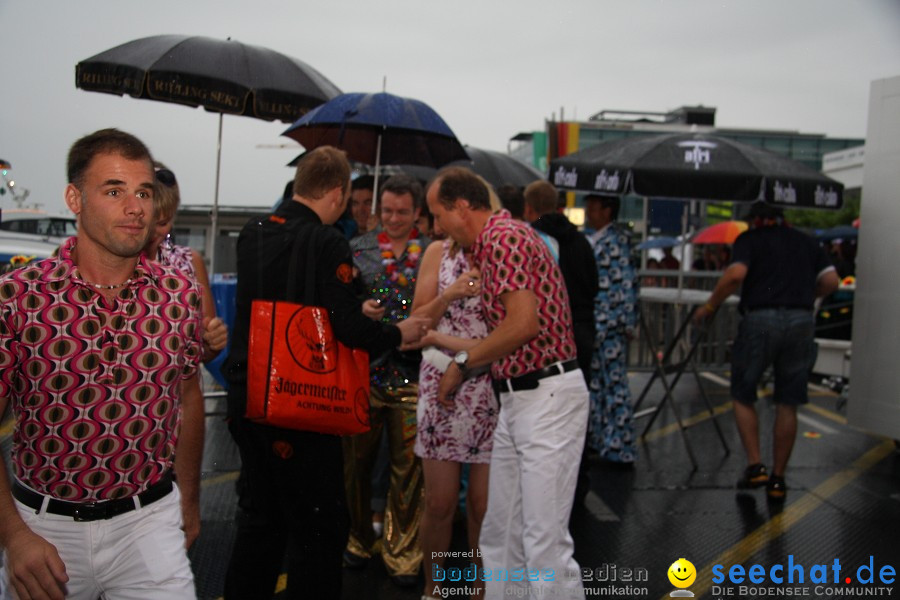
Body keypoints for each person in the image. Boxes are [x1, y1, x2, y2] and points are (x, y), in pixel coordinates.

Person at [0, 128, 204, 600]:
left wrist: (188, 501)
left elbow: (188, 398)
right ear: (75, 197)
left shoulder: (178, 293)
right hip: (42, 530)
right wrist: (14, 537)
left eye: (144, 192)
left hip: (149, 522)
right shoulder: (20, 296)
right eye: (114, 191)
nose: (135, 207)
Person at [221, 147, 428, 600]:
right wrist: (398, 332)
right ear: (337, 192)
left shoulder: (253, 232)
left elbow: (289, 301)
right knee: (319, 528)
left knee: (259, 521)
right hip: (300, 399)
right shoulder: (327, 240)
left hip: (249, 392)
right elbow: (347, 328)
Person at [427, 167, 588, 599]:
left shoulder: (504, 240)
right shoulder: (494, 242)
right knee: (502, 533)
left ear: (462, 208)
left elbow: (521, 325)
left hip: (546, 397)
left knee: (542, 542)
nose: (436, 226)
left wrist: (460, 363)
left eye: (438, 215)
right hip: (521, 398)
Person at [694, 202, 839, 502]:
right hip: (801, 320)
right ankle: (778, 479)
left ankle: (755, 465)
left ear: (755, 220)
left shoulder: (750, 240)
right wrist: (805, 296)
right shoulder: (807, 241)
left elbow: (735, 275)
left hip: (760, 319)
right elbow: (831, 281)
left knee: (743, 392)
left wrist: (710, 306)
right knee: (788, 401)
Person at [411, 178, 500, 600]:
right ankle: (434, 589)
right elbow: (418, 323)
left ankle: (482, 589)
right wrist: (448, 294)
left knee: (484, 507)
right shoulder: (436, 252)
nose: (435, 222)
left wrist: (446, 343)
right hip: (439, 384)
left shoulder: (497, 249)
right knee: (440, 504)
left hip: (488, 385)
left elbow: (510, 331)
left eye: (439, 212)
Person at [342, 174, 431, 588]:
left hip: (414, 376)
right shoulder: (356, 249)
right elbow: (339, 303)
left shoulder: (433, 253)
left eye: (403, 212)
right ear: (379, 209)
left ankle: (403, 552)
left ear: (417, 213)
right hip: (364, 372)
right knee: (355, 465)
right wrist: (360, 306)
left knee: (408, 471)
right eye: (388, 211)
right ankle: (359, 538)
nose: (394, 219)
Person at [145, 163, 228, 363]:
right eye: (147, 222)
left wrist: (213, 341)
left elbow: (204, 352)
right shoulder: (108, 265)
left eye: (163, 223)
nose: (153, 232)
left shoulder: (189, 262)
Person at [584, 195, 639, 464]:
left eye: (593, 207)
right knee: (601, 385)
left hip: (610, 324)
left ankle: (621, 447)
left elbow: (627, 285)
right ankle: (604, 440)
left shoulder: (615, 240)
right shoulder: (603, 238)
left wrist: (626, 322)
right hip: (602, 323)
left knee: (613, 385)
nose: (588, 212)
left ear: (607, 211)